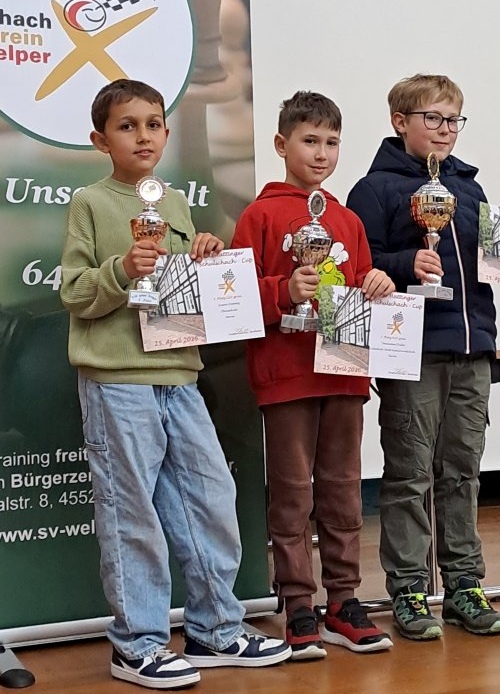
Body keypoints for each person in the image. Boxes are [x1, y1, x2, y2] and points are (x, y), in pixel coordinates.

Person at [60, 78, 291, 691]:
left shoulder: (177, 204)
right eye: (127, 126)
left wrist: (205, 257)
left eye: (154, 124)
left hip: (181, 373)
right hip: (118, 380)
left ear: (165, 133)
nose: (143, 136)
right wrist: (120, 269)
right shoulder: (89, 202)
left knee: (209, 499)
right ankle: (137, 644)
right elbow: (74, 292)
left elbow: (181, 288)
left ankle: (216, 628)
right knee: (131, 510)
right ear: (100, 140)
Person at [230, 90, 395, 659]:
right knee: (293, 494)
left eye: (331, 142)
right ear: (281, 145)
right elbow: (234, 298)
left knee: (344, 491)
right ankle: (298, 604)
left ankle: (343, 602)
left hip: (344, 373)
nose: (321, 153)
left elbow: (363, 280)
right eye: (309, 140)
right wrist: (284, 289)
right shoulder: (259, 216)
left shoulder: (347, 220)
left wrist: (377, 283)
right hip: (286, 374)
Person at [346, 73, 500, 640]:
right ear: (400, 122)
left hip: (471, 349)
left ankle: (463, 585)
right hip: (411, 350)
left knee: (462, 472)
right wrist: (405, 262)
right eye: (432, 118)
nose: (445, 129)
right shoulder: (375, 189)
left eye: (453, 119)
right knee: (410, 474)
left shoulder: (471, 190)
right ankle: (410, 589)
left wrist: (488, 332)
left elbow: (487, 268)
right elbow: (358, 263)